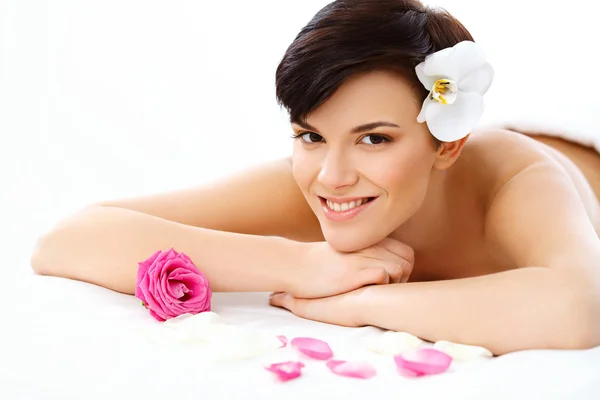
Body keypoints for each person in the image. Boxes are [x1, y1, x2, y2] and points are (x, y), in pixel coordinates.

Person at [31, 0, 600, 355]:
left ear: (448, 142)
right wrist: (300, 264)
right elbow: (70, 240)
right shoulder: (321, 183)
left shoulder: (517, 179)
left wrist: (357, 305)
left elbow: (578, 307)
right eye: (311, 135)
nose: (332, 177)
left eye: (374, 138)